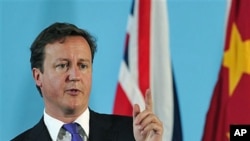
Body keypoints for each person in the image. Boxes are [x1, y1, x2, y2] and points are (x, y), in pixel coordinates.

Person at [11, 22, 163, 141]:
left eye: (83, 66)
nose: (75, 75)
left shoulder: (134, 134)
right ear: (38, 77)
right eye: (63, 65)